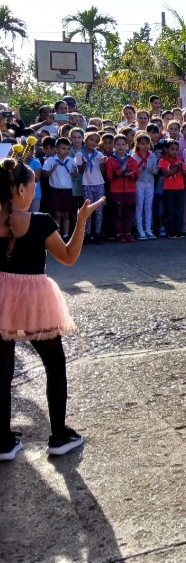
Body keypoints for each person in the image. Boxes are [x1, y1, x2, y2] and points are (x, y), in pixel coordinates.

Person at [1, 146, 106, 460]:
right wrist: (82, 220)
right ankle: (58, 436)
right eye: (32, 184)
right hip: (35, 297)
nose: (35, 189)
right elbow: (69, 257)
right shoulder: (40, 221)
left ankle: (3, 442)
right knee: (55, 364)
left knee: (2, 370)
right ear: (20, 189)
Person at [106, 135, 140, 243]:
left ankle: (128, 232)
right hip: (116, 190)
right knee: (117, 213)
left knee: (128, 212)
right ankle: (119, 233)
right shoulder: (111, 160)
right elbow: (110, 176)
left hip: (130, 190)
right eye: (118, 144)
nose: (121, 147)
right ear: (114, 146)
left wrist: (130, 175)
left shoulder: (132, 159)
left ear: (127, 146)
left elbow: (137, 174)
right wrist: (121, 170)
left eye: (123, 144)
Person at [42, 137, 76, 240]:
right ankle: (57, 235)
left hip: (67, 190)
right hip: (55, 190)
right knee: (57, 214)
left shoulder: (70, 160)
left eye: (68, 148)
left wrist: (74, 172)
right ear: (56, 149)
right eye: (63, 148)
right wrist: (52, 169)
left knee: (66, 213)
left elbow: (74, 175)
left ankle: (65, 234)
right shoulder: (50, 160)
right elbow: (44, 174)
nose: (66, 151)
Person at [76, 132, 105, 244]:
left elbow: (102, 171)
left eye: (96, 141)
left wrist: (103, 163)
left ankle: (97, 233)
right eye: (91, 140)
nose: (93, 143)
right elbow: (81, 171)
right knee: (88, 210)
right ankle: (87, 233)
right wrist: (84, 162)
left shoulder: (99, 155)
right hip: (86, 184)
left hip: (98, 183)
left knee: (99, 209)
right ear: (86, 139)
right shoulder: (79, 154)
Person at [132, 133, 158, 240]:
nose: (145, 146)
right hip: (139, 183)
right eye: (143, 144)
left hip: (150, 182)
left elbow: (156, 170)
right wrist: (141, 167)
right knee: (139, 206)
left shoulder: (152, 155)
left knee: (148, 206)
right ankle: (140, 229)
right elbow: (133, 171)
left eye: (147, 143)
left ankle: (148, 228)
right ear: (137, 144)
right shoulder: (134, 156)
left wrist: (153, 170)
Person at [159, 141, 185, 239]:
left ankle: (179, 231)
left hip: (180, 188)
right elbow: (166, 173)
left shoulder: (179, 161)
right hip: (168, 189)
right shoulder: (163, 161)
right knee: (170, 210)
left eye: (176, 150)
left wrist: (182, 168)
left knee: (179, 210)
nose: (174, 152)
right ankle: (170, 231)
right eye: (172, 149)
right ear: (166, 149)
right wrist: (176, 169)